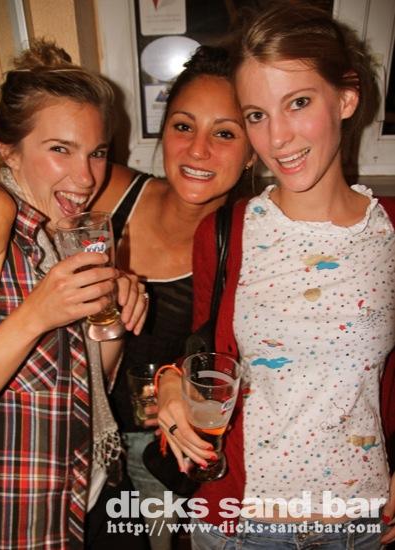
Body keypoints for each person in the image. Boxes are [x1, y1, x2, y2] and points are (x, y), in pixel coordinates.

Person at [0, 45, 255, 549]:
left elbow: (92, 367)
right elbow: (13, 164)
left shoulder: (250, 238)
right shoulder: (96, 201)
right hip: (57, 479)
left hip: (129, 456)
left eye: (224, 133)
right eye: (183, 126)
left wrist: (118, 316)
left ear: (253, 150)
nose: (198, 150)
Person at [157, 3, 395, 549]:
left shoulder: (390, 232)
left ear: (347, 98)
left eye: (299, 103)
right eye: (257, 115)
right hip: (240, 526)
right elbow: (201, 352)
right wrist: (171, 381)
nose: (278, 137)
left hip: (359, 524)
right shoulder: (227, 231)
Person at [0, 40, 149, 550]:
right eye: (60, 149)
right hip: (25, 521)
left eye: (96, 152)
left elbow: (90, 382)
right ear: (8, 150)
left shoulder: (70, 237)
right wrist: (36, 314)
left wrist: (112, 313)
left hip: (95, 490)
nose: (86, 177)